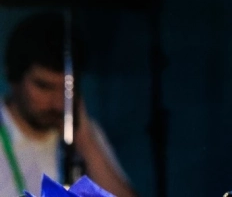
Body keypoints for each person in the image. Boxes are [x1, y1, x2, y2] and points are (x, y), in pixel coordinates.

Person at [1, 12, 139, 197]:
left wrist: (86, 143)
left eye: (67, 88)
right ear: (12, 77)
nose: (58, 103)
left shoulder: (83, 134)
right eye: (44, 86)